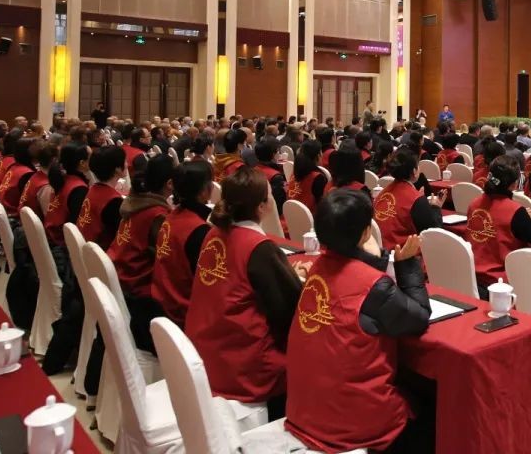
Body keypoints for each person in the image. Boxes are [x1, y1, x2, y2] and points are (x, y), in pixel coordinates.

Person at [285, 190, 432, 453]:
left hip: (304, 408)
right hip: (350, 422)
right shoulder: (372, 286)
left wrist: (376, 261)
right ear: (366, 233)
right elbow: (419, 317)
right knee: (432, 403)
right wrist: (408, 264)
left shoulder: (316, 268)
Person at [186, 166, 305, 419]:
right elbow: (291, 309)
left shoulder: (212, 234)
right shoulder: (259, 247)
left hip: (204, 350)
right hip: (241, 366)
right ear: (262, 206)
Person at [108, 155, 171, 351]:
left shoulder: (134, 202)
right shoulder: (157, 214)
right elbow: (167, 258)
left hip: (119, 276)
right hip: (138, 289)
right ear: (170, 184)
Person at [465, 156, 531, 291]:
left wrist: (524, 219)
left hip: (470, 276)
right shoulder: (515, 212)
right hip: (499, 284)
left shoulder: (474, 204)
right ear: (514, 184)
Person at [152, 160, 213, 327]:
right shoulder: (199, 231)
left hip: (163, 302)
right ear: (205, 191)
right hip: (182, 313)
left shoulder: (171, 216)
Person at [374, 148, 446, 250]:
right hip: (403, 254)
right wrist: (436, 207)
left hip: (378, 250)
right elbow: (433, 235)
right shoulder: (415, 200)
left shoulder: (382, 193)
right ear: (414, 171)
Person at [79, 146, 127, 249]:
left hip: (86, 248)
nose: (127, 164)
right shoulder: (114, 202)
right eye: (125, 161)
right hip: (99, 253)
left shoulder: (93, 188)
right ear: (117, 169)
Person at [44, 142, 91, 244]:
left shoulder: (63, 178)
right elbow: (78, 227)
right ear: (82, 163)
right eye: (91, 157)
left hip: (53, 236)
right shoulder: (79, 189)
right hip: (63, 243)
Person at [0, 137, 36, 215]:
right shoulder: (27, 174)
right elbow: (30, 204)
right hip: (14, 216)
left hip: (4, 211)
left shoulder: (14, 166)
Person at [19, 140, 57, 219]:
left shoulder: (35, 176)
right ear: (54, 160)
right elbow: (49, 217)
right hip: (35, 224)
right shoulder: (46, 186)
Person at [287, 140, 328, 211]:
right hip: (310, 215)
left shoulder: (295, 171)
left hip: (290, 212)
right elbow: (322, 205)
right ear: (318, 155)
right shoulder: (318, 177)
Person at [253, 139, 288, 217]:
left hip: (255, 213)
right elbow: (281, 203)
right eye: (278, 151)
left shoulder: (252, 170)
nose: (279, 154)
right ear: (273, 154)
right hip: (273, 215)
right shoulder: (276, 177)